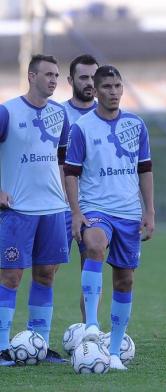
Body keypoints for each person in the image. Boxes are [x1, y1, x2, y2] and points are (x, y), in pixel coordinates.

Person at [64, 65, 155, 370]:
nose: (113, 92)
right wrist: (76, 212)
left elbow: (145, 169)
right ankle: (91, 323)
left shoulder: (136, 125)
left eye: (117, 86)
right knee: (94, 244)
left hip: (129, 213)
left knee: (125, 280)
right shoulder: (83, 128)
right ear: (96, 90)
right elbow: (71, 173)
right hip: (95, 209)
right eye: (107, 87)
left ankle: (114, 353)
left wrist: (149, 211)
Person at [0, 54, 69, 366]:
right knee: (11, 275)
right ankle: (2, 346)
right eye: (48, 74)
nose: (54, 80)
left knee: (45, 275)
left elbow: (65, 162)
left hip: (53, 208)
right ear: (31, 76)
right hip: (17, 209)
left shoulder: (60, 115)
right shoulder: (7, 112)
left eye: (56, 75)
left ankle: (37, 343)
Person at [62, 54, 99, 322]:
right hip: (59, 205)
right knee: (46, 270)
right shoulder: (58, 114)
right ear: (70, 80)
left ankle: (91, 330)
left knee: (90, 270)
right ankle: (36, 336)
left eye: (93, 77)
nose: (89, 83)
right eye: (83, 77)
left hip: (93, 206)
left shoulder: (108, 117)